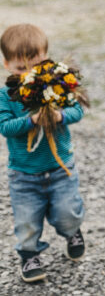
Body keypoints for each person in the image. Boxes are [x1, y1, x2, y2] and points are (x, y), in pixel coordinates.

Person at [0, 24, 87, 284]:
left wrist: (59, 115)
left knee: (67, 214)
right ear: (7, 65)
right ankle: (29, 256)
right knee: (26, 221)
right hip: (24, 175)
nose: (28, 74)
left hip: (60, 169)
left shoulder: (55, 87)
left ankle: (72, 232)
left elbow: (77, 111)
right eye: (20, 68)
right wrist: (33, 120)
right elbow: (5, 127)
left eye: (35, 66)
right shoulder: (6, 96)